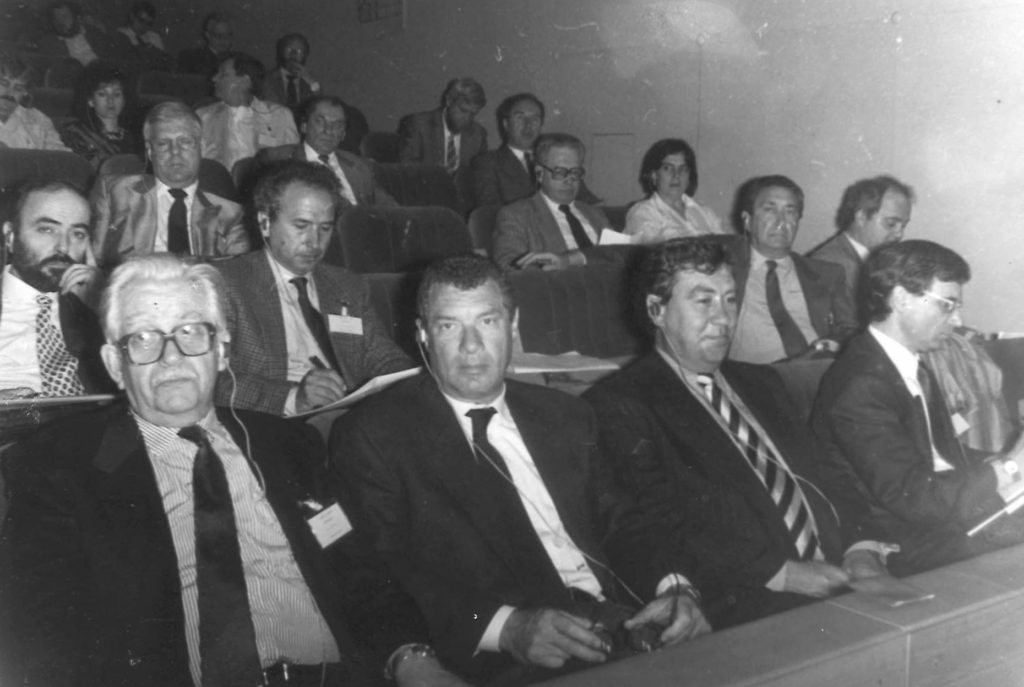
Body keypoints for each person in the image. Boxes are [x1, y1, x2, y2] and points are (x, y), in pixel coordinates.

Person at [0, 253, 469, 687]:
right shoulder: (54, 466)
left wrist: (413, 658)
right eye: (143, 339)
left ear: (222, 351)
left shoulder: (290, 447)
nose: (171, 357)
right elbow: (45, 635)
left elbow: (361, 573)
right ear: (114, 364)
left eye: (191, 332)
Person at [330, 254, 710, 684]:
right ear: (422, 335)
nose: (471, 346)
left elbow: (625, 520)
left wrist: (674, 588)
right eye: (449, 325)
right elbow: (385, 574)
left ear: (512, 327)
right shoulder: (377, 435)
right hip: (505, 662)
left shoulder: (567, 415)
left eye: (487, 322)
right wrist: (505, 627)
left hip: (628, 626)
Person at [584, 238, 891, 629]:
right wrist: (783, 574)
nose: (724, 317)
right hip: (748, 594)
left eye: (730, 300)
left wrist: (861, 546)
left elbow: (828, 471)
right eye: (703, 301)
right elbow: (655, 525)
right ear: (656, 310)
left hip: (844, 572)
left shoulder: (762, 382)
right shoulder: (621, 404)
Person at [811, 240, 1024, 576]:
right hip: (912, 541)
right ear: (900, 299)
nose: (958, 319)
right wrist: (1010, 468)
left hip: (950, 514)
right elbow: (915, 499)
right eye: (947, 305)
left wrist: (1008, 465)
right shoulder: (861, 383)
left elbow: (942, 453)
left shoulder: (910, 364)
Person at [216, 160, 413, 416]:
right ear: (265, 223)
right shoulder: (226, 283)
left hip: (352, 417)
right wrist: (294, 397)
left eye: (325, 228)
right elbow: (213, 381)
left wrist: (408, 380)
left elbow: (383, 357)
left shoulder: (347, 285)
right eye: (301, 226)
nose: (314, 242)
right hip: (275, 422)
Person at [90, 100, 248, 267]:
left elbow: (237, 278)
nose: (175, 151)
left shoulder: (231, 215)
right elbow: (93, 264)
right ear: (150, 151)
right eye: (163, 144)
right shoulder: (113, 192)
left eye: (185, 142)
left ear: (201, 146)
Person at [727, 174, 857, 364]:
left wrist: (824, 347)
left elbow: (849, 329)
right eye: (770, 210)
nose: (781, 221)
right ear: (747, 220)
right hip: (754, 378)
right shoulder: (724, 267)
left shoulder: (827, 274)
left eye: (790, 211)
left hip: (816, 371)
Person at [0, 180, 109, 396]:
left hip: (90, 422)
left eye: (78, 233)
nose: (64, 246)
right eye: (47, 230)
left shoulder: (93, 302)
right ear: (10, 236)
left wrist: (105, 308)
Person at [492, 132, 611, 270]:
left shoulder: (595, 214)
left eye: (575, 172)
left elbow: (618, 256)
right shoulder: (517, 215)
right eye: (559, 172)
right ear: (539, 174)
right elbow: (510, 265)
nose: (569, 180)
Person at [257, 94, 397, 206]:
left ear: (343, 135)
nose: (328, 131)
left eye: (337, 125)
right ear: (304, 126)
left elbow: (390, 209)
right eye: (320, 121)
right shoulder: (279, 159)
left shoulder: (360, 167)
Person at [469, 92, 600, 209]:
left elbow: (588, 203)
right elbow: (489, 212)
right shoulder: (487, 163)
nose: (528, 125)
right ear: (506, 124)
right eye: (520, 118)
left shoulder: (556, 158)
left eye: (535, 119)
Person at [808, 175, 914, 296]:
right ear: (861, 217)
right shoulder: (828, 266)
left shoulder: (880, 260)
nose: (900, 234)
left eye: (903, 225)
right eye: (891, 224)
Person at [196, 51, 299, 173]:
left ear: (245, 81)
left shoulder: (278, 115)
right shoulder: (203, 116)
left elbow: (292, 164)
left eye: (222, 75)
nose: (214, 78)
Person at [624, 138, 726, 244]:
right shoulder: (642, 213)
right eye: (668, 168)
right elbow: (654, 252)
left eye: (683, 169)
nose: (676, 175)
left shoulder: (707, 214)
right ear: (654, 175)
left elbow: (726, 249)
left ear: (689, 176)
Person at [398, 77, 487, 173]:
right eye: (463, 110)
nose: (467, 119)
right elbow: (407, 169)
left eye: (473, 114)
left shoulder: (478, 134)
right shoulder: (419, 125)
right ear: (449, 101)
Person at [59, 61, 139, 168]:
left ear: (124, 100)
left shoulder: (135, 138)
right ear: (90, 100)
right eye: (102, 94)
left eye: (116, 94)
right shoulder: (76, 134)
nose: (110, 101)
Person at [0, 52, 70, 150]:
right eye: (4, 83)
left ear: (25, 92)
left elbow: (62, 158)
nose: (10, 93)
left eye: (18, 88)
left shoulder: (38, 120)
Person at [35, 1, 116, 66]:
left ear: (78, 18)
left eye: (65, 17)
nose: (60, 23)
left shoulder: (94, 33)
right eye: (56, 19)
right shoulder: (50, 42)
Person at [263, 33, 321, 109]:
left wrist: (311, 81)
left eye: (299, 51)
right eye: (289, 49)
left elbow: (320, 104)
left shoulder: (310, 81)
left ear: (306, 55)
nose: (293, 54)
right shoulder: (266, 78)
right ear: (281, 51)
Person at [177, 12, 232, 77]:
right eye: (219, 36)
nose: (223, 40)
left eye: (227, 36)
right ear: (207, 35)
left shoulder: (236, 60)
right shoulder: (190, 59)